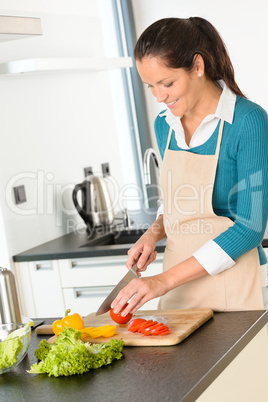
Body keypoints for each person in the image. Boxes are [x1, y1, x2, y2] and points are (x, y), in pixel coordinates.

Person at [111, 17, 268, 316]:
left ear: (198, 66)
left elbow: (250, 228)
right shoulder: (165, 125)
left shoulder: (248, 122)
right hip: (180, 289)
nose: (159, 97)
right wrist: (153, 233)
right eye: (150, 87)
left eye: (167, 83)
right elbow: (176, 202)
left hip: (239, 289)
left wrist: (163, 281)